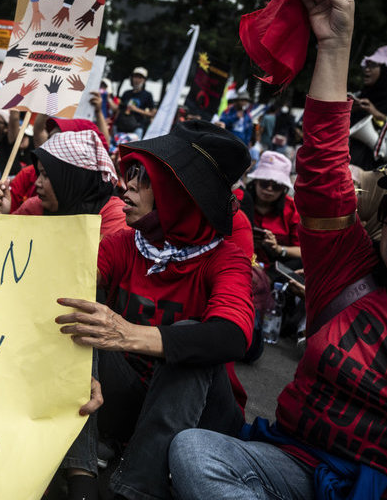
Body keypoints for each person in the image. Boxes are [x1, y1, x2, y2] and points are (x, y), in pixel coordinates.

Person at [170, 0, 387, 500]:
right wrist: (333, 44)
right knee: (194, 451)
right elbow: (323, 175)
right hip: (290, 466)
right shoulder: (350, 273)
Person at [54, 119, 254, 500]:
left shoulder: (225, 259)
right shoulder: (125, 244)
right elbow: (57, 286)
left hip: (202, 421)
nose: (125, 185)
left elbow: (232, 336)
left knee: (190, 349)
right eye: (129, 173)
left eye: (142, 177)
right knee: (79, 315)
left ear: (180, 192)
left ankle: (133, 493)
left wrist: (127, 333)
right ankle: (82, 484)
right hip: (130, 404)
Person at [0, 129, 127, 237]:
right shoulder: (34, 209)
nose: (37, 183)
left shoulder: (114, 217)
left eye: (46, 175)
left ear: (74, 180)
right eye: (38, 174)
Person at [247, 150, 302, 268]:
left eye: (276, 186)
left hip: (275, 268)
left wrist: (278, 249)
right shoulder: (239, 201)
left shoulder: (291, 209)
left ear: (284, 189)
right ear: (256, 181)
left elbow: (302, 250)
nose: (269, 189)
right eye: (264, 183)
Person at [115, 67, 155, 137]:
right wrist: (114, 124)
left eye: (140, 77)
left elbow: (152, 114)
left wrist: (136, 110)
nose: (137, 79)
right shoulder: (126, 93)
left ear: (144, 80)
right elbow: (119, 109)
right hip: (121, 127)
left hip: (137, 128)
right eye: (135, 76)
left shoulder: (147, 95)